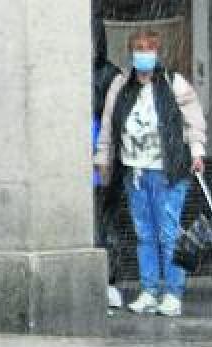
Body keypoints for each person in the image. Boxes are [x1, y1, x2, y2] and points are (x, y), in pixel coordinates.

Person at [95, 28, 205, 318]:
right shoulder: (121, 85)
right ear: (131, 53)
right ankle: (149, 290)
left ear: (157, 53)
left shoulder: (174, 83)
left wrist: (197, 152)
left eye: (149, 49)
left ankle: (172, 292)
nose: (144, 54)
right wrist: (103, 157)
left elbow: (194, 121)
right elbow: (108, 123)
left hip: (168, 170)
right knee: (144, 234)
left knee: (169, 233)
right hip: (135, 171)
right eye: (139, 49)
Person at [91, 14, 123, 310]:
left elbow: (113, 117)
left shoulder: (109, 75)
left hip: (103, 157)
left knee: (105, 222)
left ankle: (108, 278)